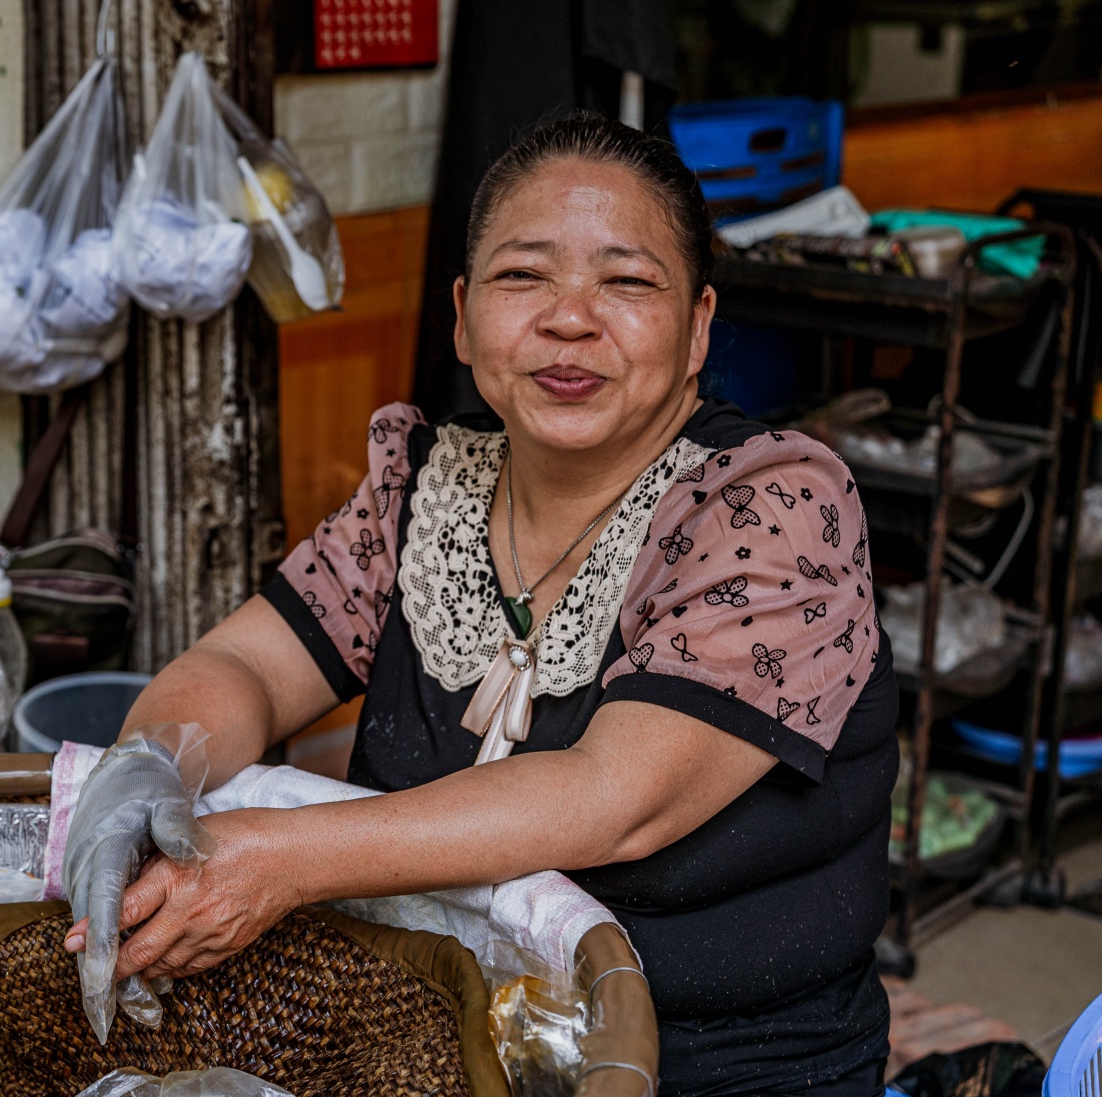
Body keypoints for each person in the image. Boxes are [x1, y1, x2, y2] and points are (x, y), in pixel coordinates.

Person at [66, 113, 898, 1097]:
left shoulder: (776, 506)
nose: (570, 318)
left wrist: (279, 857)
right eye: (523, 276)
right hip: (422, 1038)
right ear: (462, 317)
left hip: (712, 1066)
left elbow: (608, 796)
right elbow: (245, 665)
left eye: (626, 283)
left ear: (698, 328)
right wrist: (151, 758)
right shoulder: (422, 485)